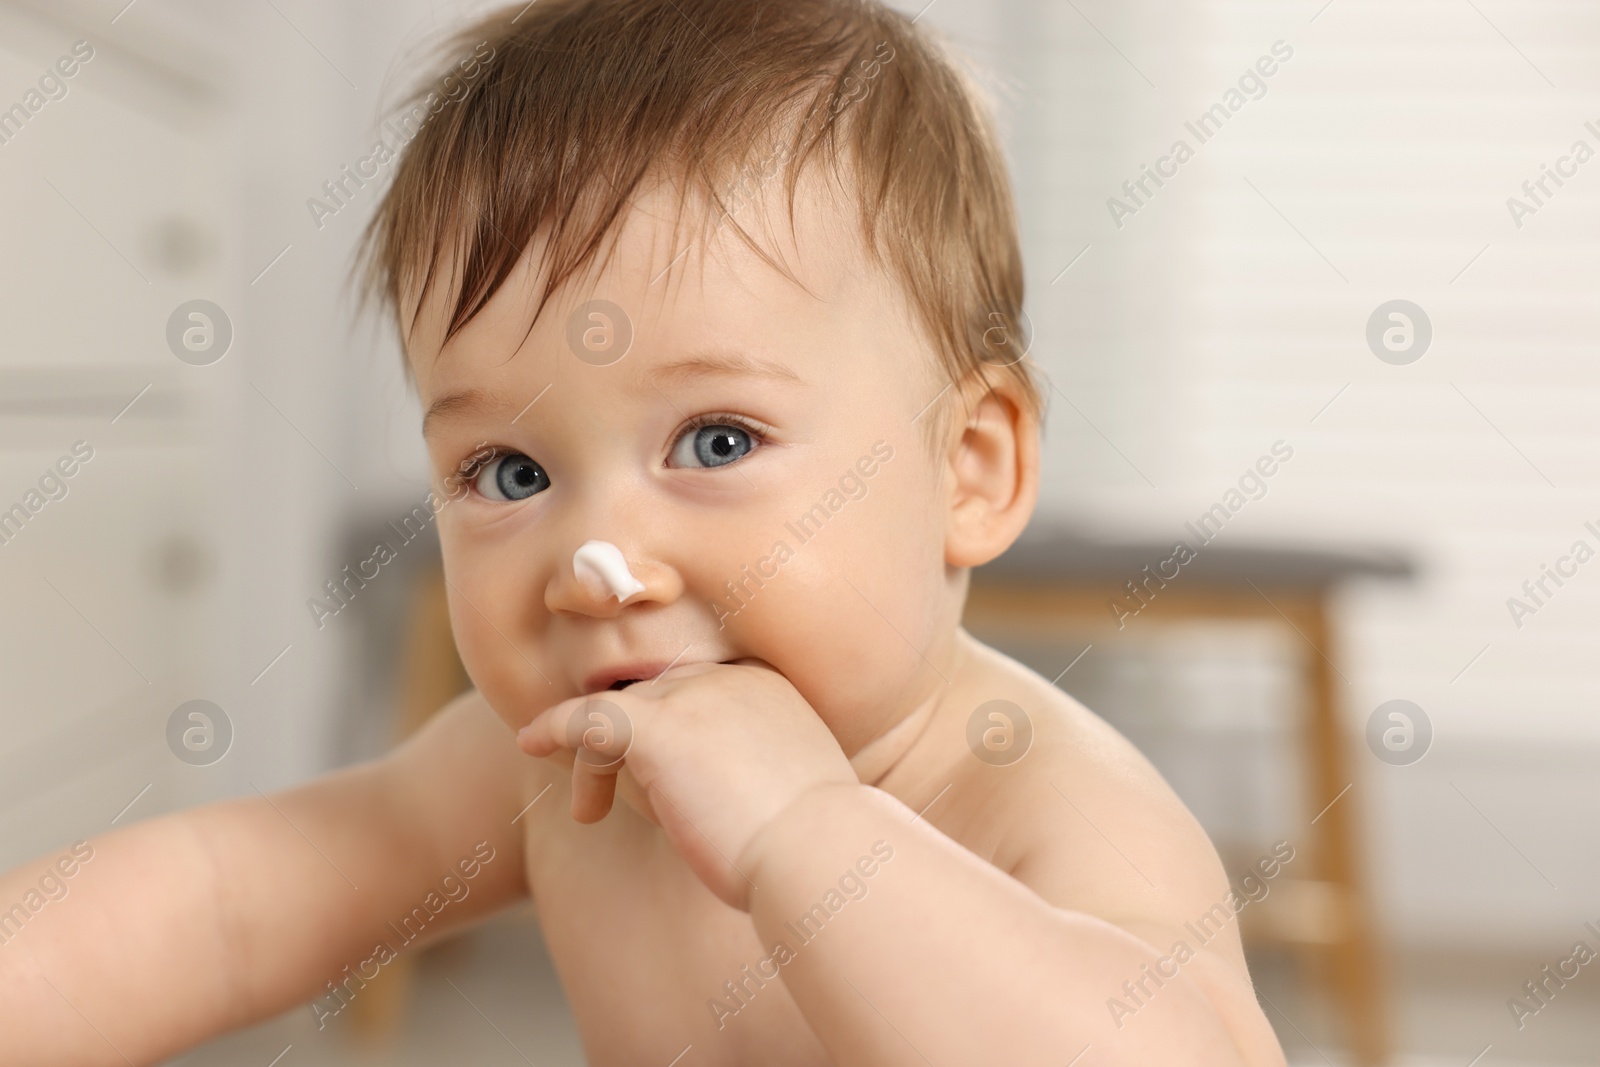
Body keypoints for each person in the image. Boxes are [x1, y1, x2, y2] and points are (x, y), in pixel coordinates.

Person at [0, 1, 1287, 1062]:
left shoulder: (1037, 800)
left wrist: (808, 832)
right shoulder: (547, 774)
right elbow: (225, 905)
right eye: (507, 469)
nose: (593, 560)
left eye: (716, 442)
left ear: (970, 469)